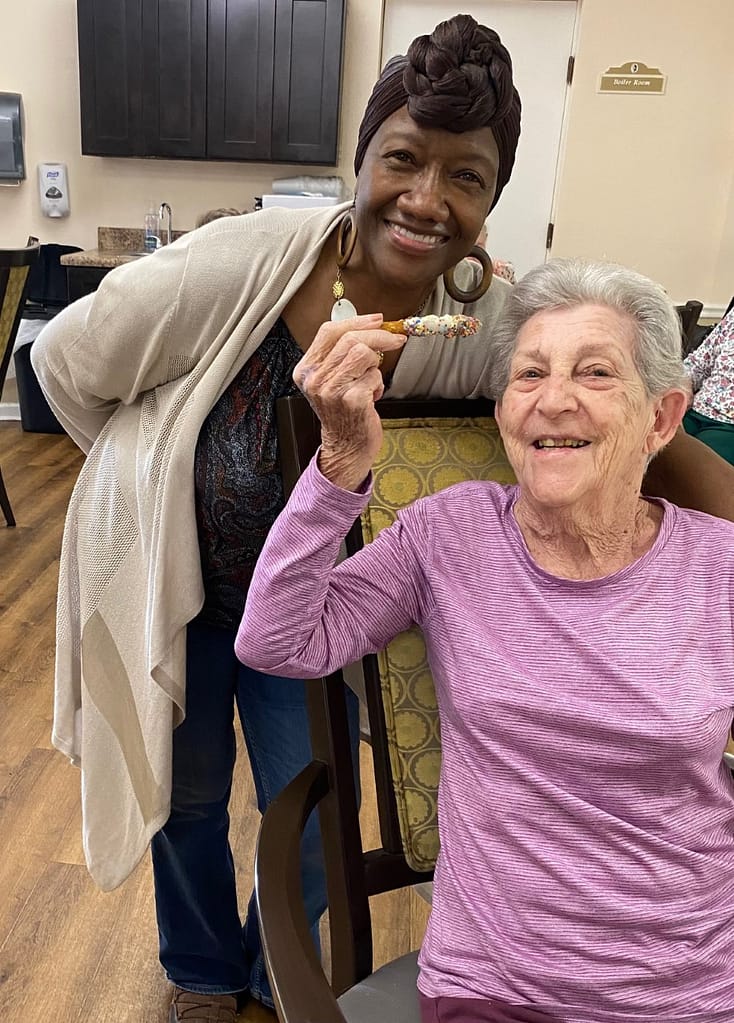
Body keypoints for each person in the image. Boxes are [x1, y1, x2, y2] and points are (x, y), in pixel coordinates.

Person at [29, 12, 733, 1022]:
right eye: (401, 160)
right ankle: (201, 972)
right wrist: (140, 477)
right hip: (172, 583)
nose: (425, 199)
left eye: (465, 178)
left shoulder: (481, 314)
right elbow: (62, 370)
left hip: (321, 600)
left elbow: (600, 415)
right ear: (359, 161)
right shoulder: (245, 261)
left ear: (491, 200)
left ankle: (274, 970)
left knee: (313, 810)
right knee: (180, 799)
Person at [236, 258, 734, 1023]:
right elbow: (279, 641)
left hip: (690, 985)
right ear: (503, 409)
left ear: (661, 419)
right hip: (499, 984)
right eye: (528, 373)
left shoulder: (718, 565)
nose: (553, 400)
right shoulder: (450, 533)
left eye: (595, 373)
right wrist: (339, 464)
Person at [682, 306, 734, 465]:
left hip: (728, 426)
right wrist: (683, 388)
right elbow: (696, 365)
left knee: (687, 466)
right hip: (695, 409)